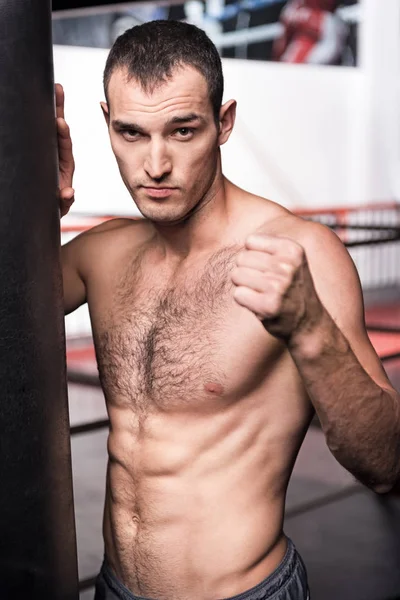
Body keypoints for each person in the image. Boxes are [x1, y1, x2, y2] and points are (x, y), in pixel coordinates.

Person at [57, 20, 400, 600]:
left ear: (224, 122)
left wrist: (312, 329)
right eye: (132, 133)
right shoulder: (102, 254)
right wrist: (33, 209)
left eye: (182, 130)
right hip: (115, 588)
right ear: (106, 124)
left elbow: (387, 464)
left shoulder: (302, 253)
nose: (156, 164)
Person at [272, 0, 348, 65]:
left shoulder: (329, 21)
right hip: (290, 65)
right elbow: (280, 44)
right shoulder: (291, 9)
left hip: (312, 70)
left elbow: (331, 49)